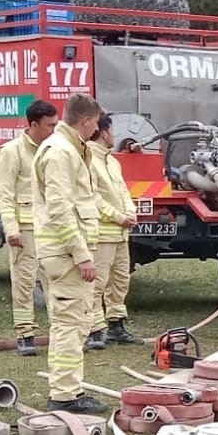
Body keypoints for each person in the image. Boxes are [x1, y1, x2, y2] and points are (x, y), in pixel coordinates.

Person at [33, 92, 107, 414]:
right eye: (95, 124)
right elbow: (60, 209)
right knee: (69, 325)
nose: (97, 131)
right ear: (86, 120)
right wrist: (81, 255)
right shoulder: (61, 152)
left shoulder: (70, 150)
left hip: (63, 254)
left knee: (74, 323)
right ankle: (65, 395)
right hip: (65, 255)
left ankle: (69, 390)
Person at [0, 99, 58, 357]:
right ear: (33, 124)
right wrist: (12, 229)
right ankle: (25, 334)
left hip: (52, 228)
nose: (53, 130)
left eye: (56, 125)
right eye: (49, 125)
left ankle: (60, 332)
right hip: (26, 229)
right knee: (23, 282)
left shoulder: (55, 150)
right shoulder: (12, 151)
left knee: (55, 281)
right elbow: (3, 194)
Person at [85, 113, 141, 350]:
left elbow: (122, 192)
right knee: (97, 284)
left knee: (120, 282)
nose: (115, 135)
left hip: (120, 235)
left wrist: (130, 212)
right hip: (102, 234)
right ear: (104, 132)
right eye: (113, 130)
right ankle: (95, 330)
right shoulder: (87, 160)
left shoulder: (112, 161)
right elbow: (92, 197)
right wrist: (119, 217)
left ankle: (116, 325)